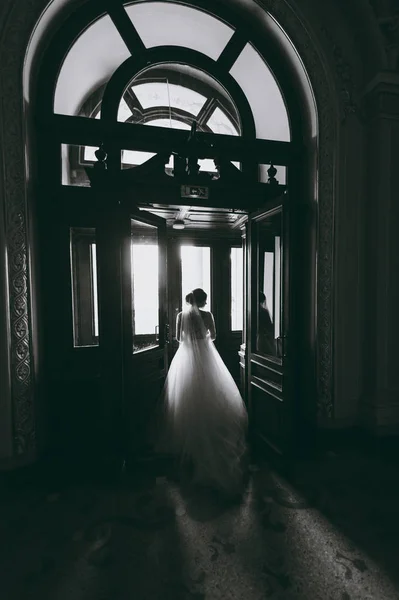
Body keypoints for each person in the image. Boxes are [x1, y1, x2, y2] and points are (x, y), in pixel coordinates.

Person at [157, 288, 248, 496]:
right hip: (206, 355)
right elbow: (213, 336)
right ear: (203, 300)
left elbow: (179, 339)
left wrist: (191, 341)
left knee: (184, 394)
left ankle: (187, 439)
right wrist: (203, 339)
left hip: (186, 356)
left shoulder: (181, 315)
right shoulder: (208, 316)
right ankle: (212, 429)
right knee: (213, 391)